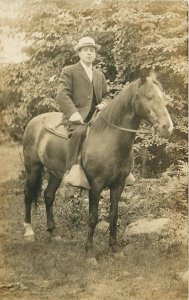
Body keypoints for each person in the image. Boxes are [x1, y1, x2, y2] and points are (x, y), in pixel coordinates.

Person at [56, 36, 111, 187]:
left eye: (92, 50)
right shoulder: (70, 71)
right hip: (77, 117)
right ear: (79, 53)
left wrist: (104, 104)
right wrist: (73, 113)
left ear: (95, 54)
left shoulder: (99, 74)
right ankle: (71, 170)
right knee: (79, 133)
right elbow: (62, 94)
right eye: (85, 50)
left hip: (97, 117)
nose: (89, 53)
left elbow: (107, 95)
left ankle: (115, 171)